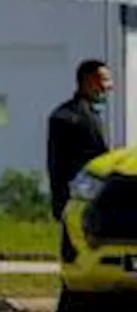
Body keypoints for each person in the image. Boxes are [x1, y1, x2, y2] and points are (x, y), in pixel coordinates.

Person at [47, 59, 112, 230]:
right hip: (84, 201)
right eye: (104, 80)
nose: (109, 86)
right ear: (89, 81)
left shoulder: (72, 114)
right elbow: (60, 166)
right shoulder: (73, 118)